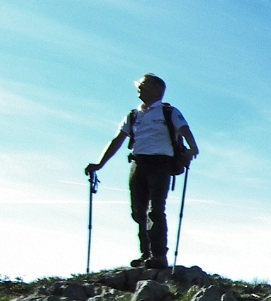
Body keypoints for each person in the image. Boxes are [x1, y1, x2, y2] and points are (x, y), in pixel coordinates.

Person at [85, 74, 199, 268]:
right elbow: (117, 141)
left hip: (161, 163)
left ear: (156, 89)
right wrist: (99, 164)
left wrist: (192, 149)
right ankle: (146, 254)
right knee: (138, 211)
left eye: (143, 85)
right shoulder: (133, 115)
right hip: (138, 163)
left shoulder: (168, 112)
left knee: (155, 209)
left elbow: (185, 130)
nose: (139, 88)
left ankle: (158, 256)